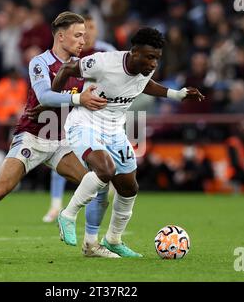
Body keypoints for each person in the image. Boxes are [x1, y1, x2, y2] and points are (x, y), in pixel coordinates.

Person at [0, 12, 118, 262]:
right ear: (61, 37)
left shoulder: (83, 66)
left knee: (97, 183)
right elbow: (44, 97)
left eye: (84, 35)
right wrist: (78, 98)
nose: (84, 40)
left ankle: (91, 244)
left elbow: (89, 96)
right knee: (0, 189)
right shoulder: (40, 62)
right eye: (78, 35)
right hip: (31, 137)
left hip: (61, 141)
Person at [53, 27, 204, 257]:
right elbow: (66, 68)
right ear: (134, 52)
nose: (154, 64)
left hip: (114, 130)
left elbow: (144, 85)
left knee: (129, 187)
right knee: (105, 169)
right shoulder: (103, 63)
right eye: (149, 57)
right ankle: (68, 215)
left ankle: (113, 239)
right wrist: (52, 102)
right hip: (84, 123)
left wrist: (178, 94)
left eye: (157, 58)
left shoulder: (144, 70)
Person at [43, 14, 116, 223]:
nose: (89, 33)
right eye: (84, 29)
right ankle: (56, 205)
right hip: (74, 109)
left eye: (92, 27)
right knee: (61, 151)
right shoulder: (72, 53)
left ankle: (98, 203)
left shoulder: (107, 51)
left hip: (102, 113)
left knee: (105, 162)